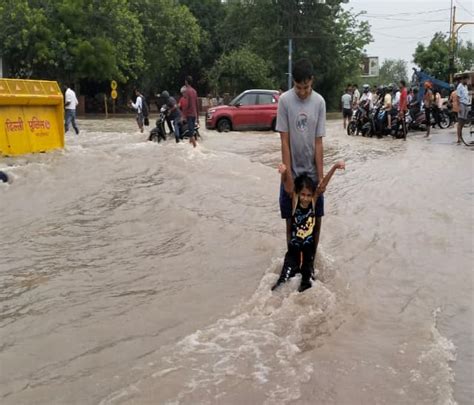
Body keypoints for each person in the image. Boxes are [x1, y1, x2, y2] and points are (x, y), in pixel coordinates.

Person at [276, 58, 326, 279]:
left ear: (311, 82)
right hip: (293, 173)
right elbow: (284, 140)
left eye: (306, 87)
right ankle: (293, 259)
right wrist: (287, 176)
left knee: (315, 221)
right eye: (298, 87)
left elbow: (318, 143)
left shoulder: (319, 102)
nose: (303, 92)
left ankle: (310, 263)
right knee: (291, 220)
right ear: (293, 83)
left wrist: (322, 178)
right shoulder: (285, 101)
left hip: (312, 175)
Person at [272, 161, 345, 292]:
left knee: (307, 283)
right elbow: (286, 185)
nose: (305, 198)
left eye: (308, 195)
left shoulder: (313, 202)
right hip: (293, 251)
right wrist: (283, 174)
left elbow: (323, 185)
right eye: (303, 195)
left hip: (308, 251)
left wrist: (334, 167)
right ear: (298, 194)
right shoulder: (294, 203)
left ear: (312, 195)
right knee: (282, 280)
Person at [183, 75, 199, 148]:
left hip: (189, 114)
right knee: (191, 131)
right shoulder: (194, 91)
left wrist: (184, 115)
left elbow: (187, 104)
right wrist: (198, 117)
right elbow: (196, 104)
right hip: (194, 114)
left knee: (190, 133)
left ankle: (195, 148)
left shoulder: (187, 91)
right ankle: (191, 148)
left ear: (186, 82)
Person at [456, 74, 470, 144]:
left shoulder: (466, 86)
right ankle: (459, 138)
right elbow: (458, 98)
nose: (468, 81)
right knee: (460, 122)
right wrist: (459, 107)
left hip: (466, 104)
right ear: (463, 79)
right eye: (467, 79)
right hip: (461, 104)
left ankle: (461, 136)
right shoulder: (459, 86)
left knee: (463, 121)